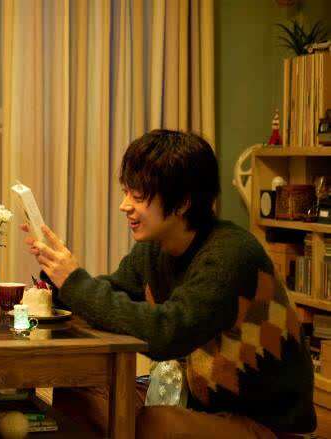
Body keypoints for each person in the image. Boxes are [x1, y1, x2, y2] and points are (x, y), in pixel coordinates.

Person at [22, 130, 316, 438]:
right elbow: (109, 300)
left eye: (138, 196)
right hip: (195, 400)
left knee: (154, 425)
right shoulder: (155, 249)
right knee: (73, 389)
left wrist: (75, 282)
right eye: (126, 192)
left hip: (265, 422)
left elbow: (166, 334)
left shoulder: (231, 255)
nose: (124, 205)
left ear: (182, 203)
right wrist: (58, 276)